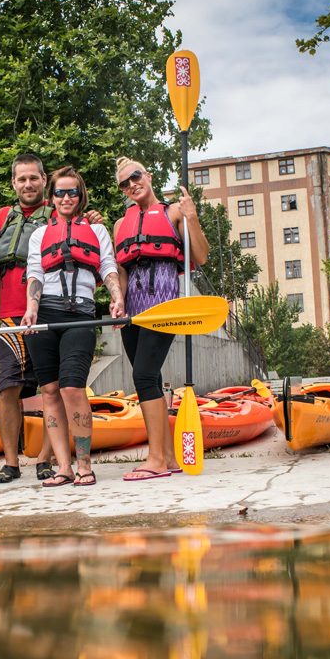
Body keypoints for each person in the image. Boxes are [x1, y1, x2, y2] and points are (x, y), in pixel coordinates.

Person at [21, 167, 124, 486]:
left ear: (81, 196)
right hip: (45, 315)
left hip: (81, 313)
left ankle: (84, 465)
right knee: (49, 390)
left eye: (73, 192)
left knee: (71, 388)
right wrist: (31, 307)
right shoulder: (40, 234)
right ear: (51, 198)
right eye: (60, 192)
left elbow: (107, 266)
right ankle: (63, 467)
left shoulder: (96, 231)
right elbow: (35, 272)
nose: (66, 198)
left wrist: (117, 297)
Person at [111, 156, 208, 481]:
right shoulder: (119, 225)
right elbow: (122, 270)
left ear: (148, 175)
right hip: (133, 311)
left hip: (163, 304)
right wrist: (118, 302)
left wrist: (192, 218)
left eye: (135, 176)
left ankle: (154, 460)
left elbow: (201, 256)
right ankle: (167, 456)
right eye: (124, 183)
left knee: (143, 374)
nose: (131, 185)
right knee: (148, 379)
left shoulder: (174, 212)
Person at [0, 154, 56, 483]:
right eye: (21, 179)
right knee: (7, 388)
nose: (28, 184)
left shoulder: (60, 214)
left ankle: (45, 457)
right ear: (14, 183)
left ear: (44, 180)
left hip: (50, 311)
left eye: (33, 178)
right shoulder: (1, 218)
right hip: (10, 315)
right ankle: (11, 462)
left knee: (52, 387)